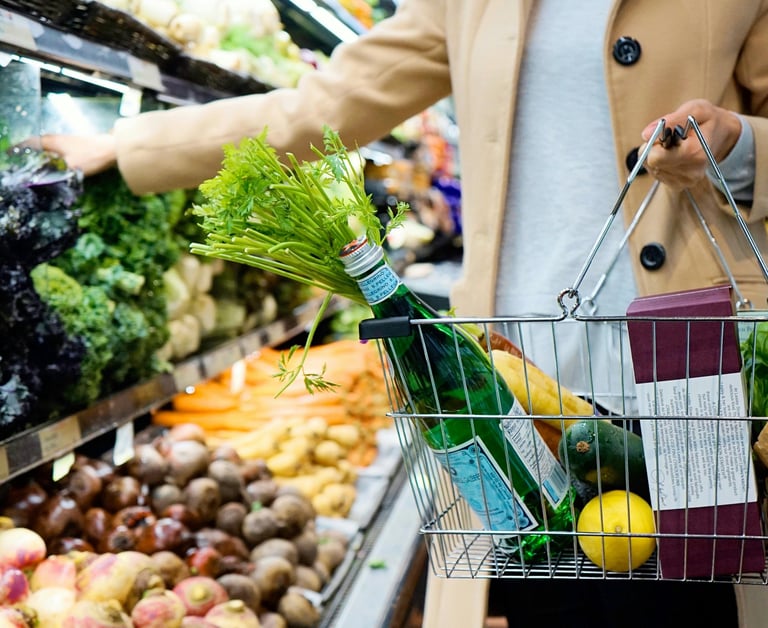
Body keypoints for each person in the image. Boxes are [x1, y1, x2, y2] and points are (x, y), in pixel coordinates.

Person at [39, 1, 768, 626]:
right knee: (554, 600)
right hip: (516, 386)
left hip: (689, 379)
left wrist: (735, 148)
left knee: (692, 602)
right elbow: (321, 107)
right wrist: (127, 146)